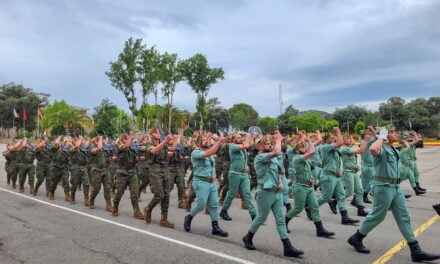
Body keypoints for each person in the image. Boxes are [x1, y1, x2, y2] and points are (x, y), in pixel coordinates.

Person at [348, 125, 440, 262]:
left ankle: (415, 250)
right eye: (392, 132)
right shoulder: (379, 147)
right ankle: (356, 238)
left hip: (395, 187)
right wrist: (381, 136)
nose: (396, 133)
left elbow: (408, 147)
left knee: (404, 217)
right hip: (383, 187)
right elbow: (373, 149)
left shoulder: (392, 149)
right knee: (377, 216)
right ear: (384, 136)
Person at [242, 132, 304, 258]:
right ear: (259, 146)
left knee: (281, 221)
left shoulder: (274, 157)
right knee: (261, 218)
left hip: (276, 192)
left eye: (270, 143)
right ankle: (248, 237)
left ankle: (288, 248)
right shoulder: (259, 157)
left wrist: (280, 181)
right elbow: (276, 152)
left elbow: (278, 171)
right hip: (265, 192)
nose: (269, 145)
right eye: (266, 143)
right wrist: (279, 140)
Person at [285, 138, 335, 238]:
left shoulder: (306, 159)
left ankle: (320, 230)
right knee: (298, 209)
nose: (305, 148)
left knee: (315, 206)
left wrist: (311, 178)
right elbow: (312, 151)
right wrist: (310, 142)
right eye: (302, 147)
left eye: (305, 146)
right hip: (300, 187)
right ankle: (283, 223)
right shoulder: (296, 158)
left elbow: (308, 170)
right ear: (296, 150)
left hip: (309, 187)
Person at [183, 133, 228, 237]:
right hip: (200, 182)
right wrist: (219, 142)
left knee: (214, 205)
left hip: (210, 183)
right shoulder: (195, 152)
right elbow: (208, 153)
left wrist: (213, 176)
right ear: (199, 143)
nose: (207, 142)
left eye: (207, 140)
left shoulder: (208, 152)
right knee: (201, 204)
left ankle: (215, 227)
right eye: (204, 140)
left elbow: (210, 164)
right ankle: (189, 217)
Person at [317, 127, 359, 225]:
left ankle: (345, 217)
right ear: (326, 140)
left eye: (334, 138)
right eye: (332, 138)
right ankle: (311, 208)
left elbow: (337, 161)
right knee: (326, 197)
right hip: (328, 176)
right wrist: (338, 132)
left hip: (336, 176)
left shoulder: (335, 150)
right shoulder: (326, 147)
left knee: (341, 196)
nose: (334, 139)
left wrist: (339, 171)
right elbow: (340, 142)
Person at [220, 132, 257, 221]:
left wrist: (245, 165)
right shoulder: (232, 146)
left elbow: (250, 146)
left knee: (247, 194)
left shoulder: (242, 146)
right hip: (234, 174)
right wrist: (248, 136)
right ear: (233, 139)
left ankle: (253, 214)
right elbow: (246, 145)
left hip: (244, 174)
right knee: (231, 194)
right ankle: (224, 211)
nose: (240, 138)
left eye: (241, 137)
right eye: (238, 137)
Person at [143, 129, 176, 227]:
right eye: (155, 133)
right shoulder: (148, 144)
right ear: (151, 135)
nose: (158, 134)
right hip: (155, 172)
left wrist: (175, 140)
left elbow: (170, 153)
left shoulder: (164, 145)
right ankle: (148, 209)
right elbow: (153, 151)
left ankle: (164, 219)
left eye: (158, 133)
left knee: (166, 195)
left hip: (165, 171)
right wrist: (165, 141)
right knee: (159, 195)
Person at [112, 134, 144, 219]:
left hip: (132, 172)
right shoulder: (119, 146)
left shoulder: (132, 148)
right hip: (122, 173)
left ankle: (136, 211)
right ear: (123, 140)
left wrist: (138, 158)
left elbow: (135, 156)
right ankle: (115, 207)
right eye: (127, 139)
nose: (130, 141)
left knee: (134, 193)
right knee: (119, 193)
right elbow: (125, 147)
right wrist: (130, 136)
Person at [339, 134, 371, 217]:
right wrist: (366, 141)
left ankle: (360, 209)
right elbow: (360, 151)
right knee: (349, 191)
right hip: (348, 172)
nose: (350, 139)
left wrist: (355, 166)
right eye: (347, 138)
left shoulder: (350, 147)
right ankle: (336, 201)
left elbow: (354, 148)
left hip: (354, 171)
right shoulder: (343, 148)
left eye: (350, 138)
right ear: (343, 140)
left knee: (360, 190)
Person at [89, 136, 113, 212]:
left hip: (105, 171)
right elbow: (98, 149)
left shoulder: (105, 149)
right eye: (100, 141)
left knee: (107, 188)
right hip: (96, 171)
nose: (102, 141)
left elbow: (109, 157)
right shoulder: (92, 148)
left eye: (102, 140)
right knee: (96, 189)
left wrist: (110, 158)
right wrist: (99, 139)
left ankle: (108, 205)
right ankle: (91, 199)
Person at [48, 136, 71, 202]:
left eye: (70, 141)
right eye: (69, 141)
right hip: (55, 167)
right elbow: (56, 143)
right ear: (65, 142)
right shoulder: (55, 148)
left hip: (64, 167)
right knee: (54, 182)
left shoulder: (69, 149)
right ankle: (51, 192)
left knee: (66, 181)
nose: (70, 143)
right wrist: (59, 137)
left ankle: (67, 196)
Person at [69, 136, 90, 205]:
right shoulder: (72, 149)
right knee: (74, 184)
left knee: (86, 183)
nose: (81, 142)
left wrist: (87, 140)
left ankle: (86, 199)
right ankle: (72, 197)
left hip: (83, 167)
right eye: (77, 141)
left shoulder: (83, 149)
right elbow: (77, 146)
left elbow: (87, 144)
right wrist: (80, 139)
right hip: (75, 167)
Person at [360, 127, 377, 204]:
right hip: (368, 166)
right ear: (364, 135)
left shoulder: (366, 142)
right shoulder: (365, 142)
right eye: (368, 134)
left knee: (367, 183)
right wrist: (373, 130)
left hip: (369, 166)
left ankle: (363, 196)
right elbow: (376, 137)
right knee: (369, 184)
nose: (370, 135)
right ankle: (362, 197)